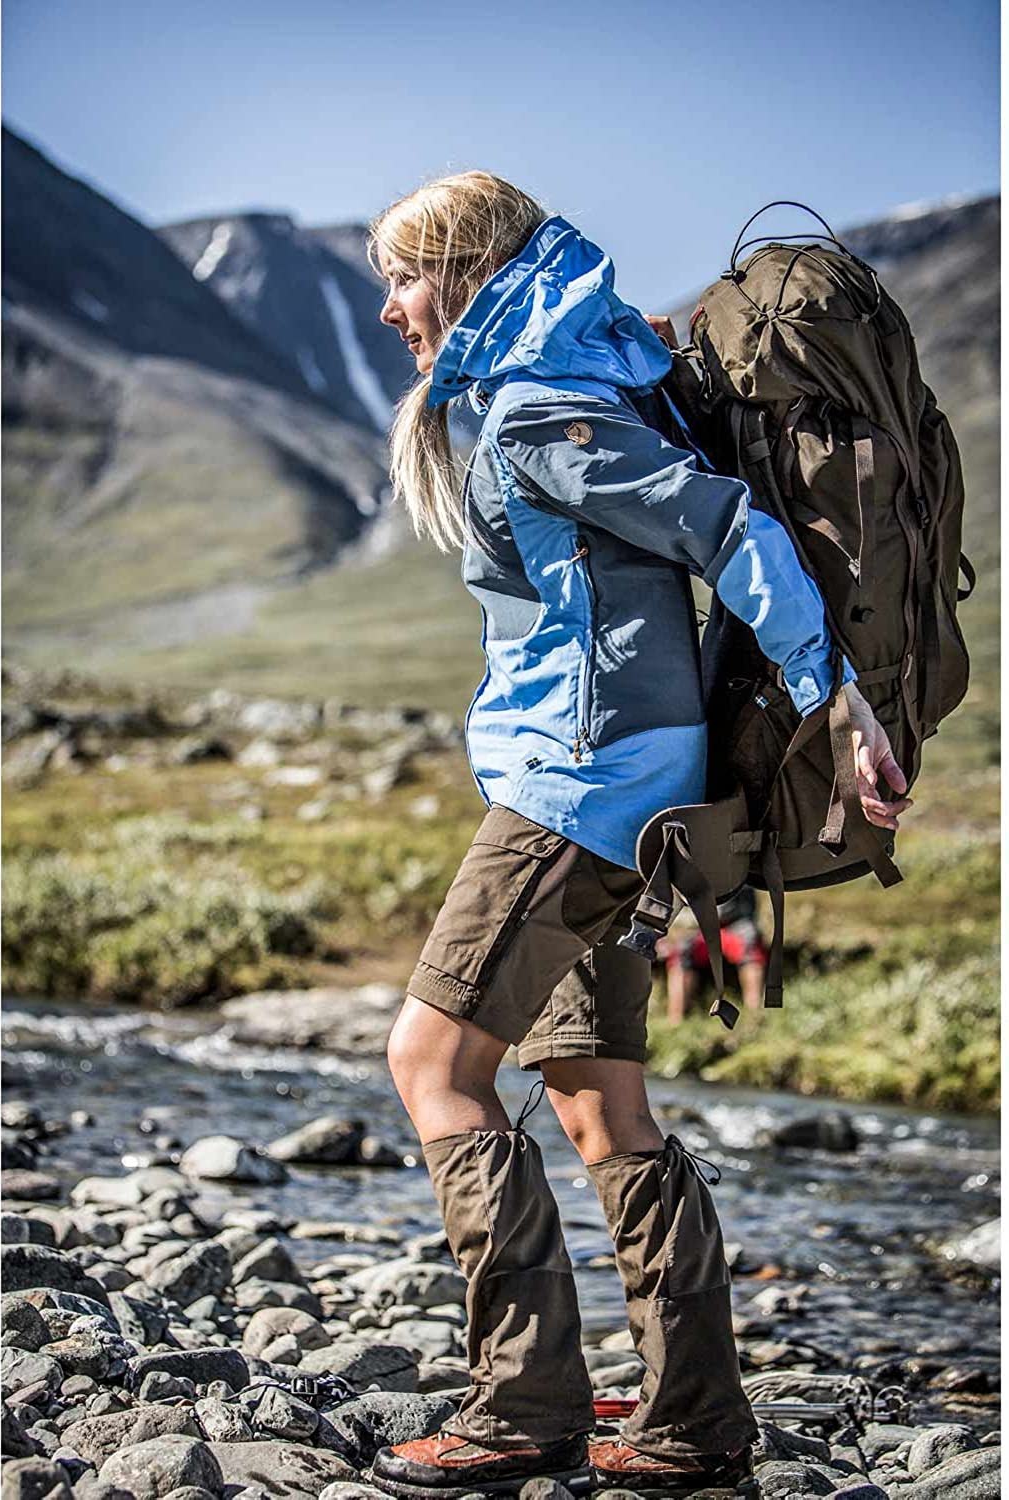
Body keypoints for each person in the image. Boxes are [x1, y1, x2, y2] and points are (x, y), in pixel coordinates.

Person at [366, 172, 910, 1498]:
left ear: (473, 272)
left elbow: (726, 528)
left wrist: (833, 698)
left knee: (431, 1065)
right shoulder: (565, 375)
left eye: (410, 278)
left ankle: (524, 1403)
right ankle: (695, 1424)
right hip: (624, 784)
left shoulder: (541, 407)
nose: (391, 310)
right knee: (598, 1103)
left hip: (582, 787)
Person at [659, 887, 768, 1023]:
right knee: (681, 952)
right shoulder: (678, 872)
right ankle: (675, 1019)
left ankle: (754, 1011)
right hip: (697, 930)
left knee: (750, 943)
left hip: (734, 923)